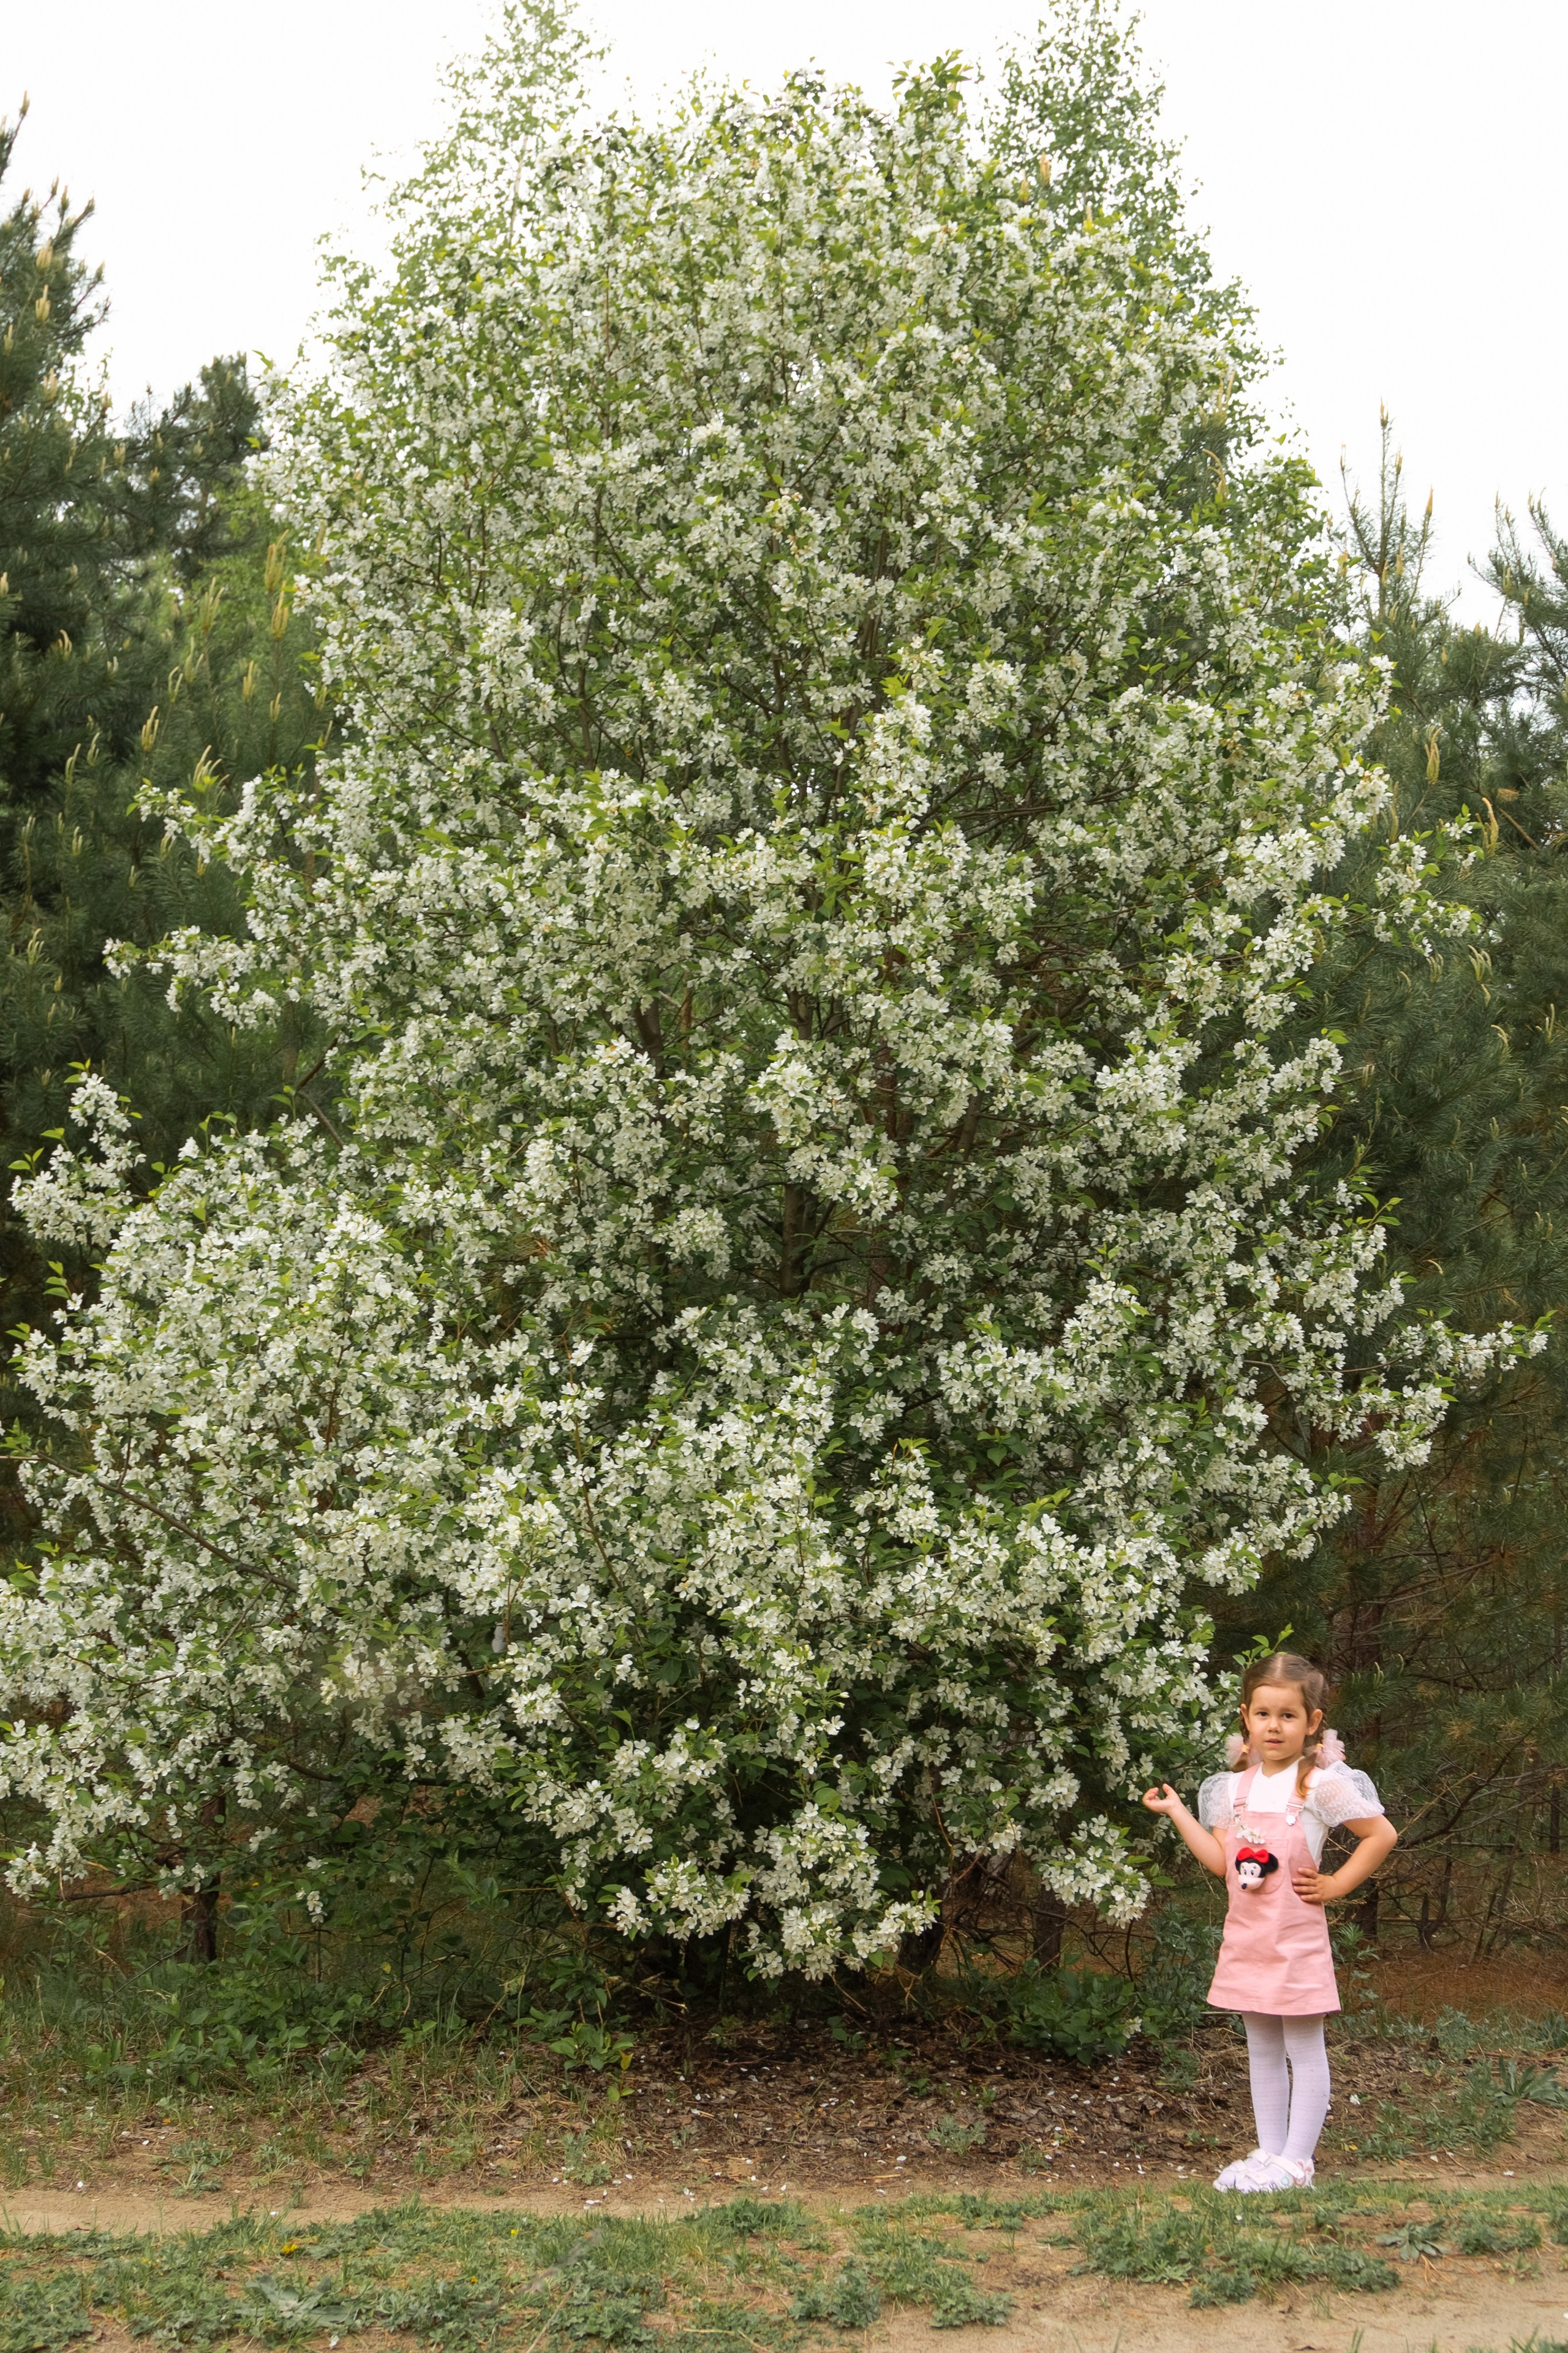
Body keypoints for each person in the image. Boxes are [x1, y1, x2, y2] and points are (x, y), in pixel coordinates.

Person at [1141, 1650, 1398, 2192]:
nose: (1274, 1726)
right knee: (1260, 2045)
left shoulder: (1319, 1785)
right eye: (1263, 1714)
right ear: (1245, 1717)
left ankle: (1298, 2161)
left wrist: (1336, 1884)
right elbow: (1222, 1863)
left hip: (1296, 1939)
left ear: (1313, 1723)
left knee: (1303, 2047)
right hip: (1249, 1937)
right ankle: (1270, 2151)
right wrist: (1178, 1813)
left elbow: (1381, 1835)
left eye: (1288, 1715)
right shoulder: (1232, 1788)